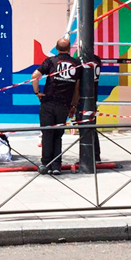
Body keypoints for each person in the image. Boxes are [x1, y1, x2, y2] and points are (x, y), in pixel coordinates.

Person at [31, 38, 81, 175]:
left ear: (56, 48)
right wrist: (73, 106)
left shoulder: (51, 61)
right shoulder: (76, 64)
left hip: (48, 102)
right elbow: (77, 88)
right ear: (69, 48)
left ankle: (45, 165)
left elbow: (35, 75)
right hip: (64, 105)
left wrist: (37, 93)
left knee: (47, 134)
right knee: (58, 135)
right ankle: (57, 166)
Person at [75, 51, 103, 163]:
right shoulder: (97, 59)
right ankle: (95, 155)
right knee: (91, 127)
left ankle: (89, 156)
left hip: (82, 98)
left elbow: (77, 82)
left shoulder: (79, 61)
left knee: (85, 128)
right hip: (93, 96)